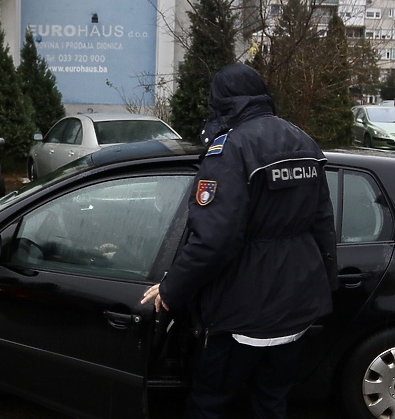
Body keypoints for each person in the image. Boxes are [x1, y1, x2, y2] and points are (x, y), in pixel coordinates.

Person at [142, 63, 338, 419]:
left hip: (242, 312)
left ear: (223, 103)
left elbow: (215, 240)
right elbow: (323, 225)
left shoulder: (230, 149)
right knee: (272, 402)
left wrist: (171, 290)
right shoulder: (303, 140)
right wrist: (325, 286)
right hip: (296, 309)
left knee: (209, 405)